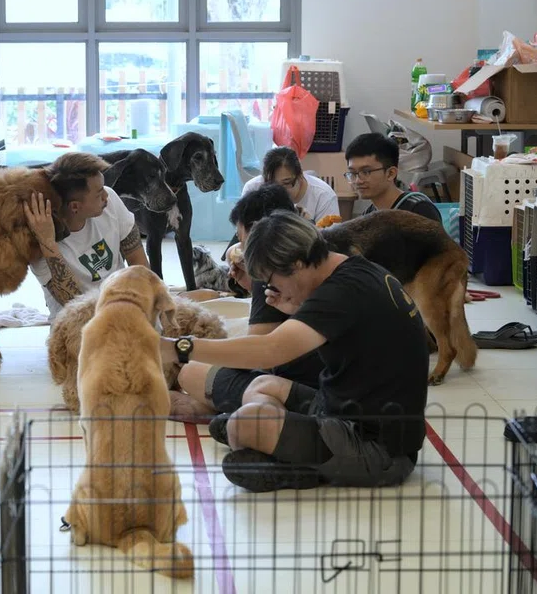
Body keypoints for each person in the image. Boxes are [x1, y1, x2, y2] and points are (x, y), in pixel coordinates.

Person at [161, 210, 428, 492]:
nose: (271, 289)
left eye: (272, 281)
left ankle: (294, 462)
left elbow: (269, 350)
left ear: (297, 264)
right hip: (344, 409)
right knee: (265, 385)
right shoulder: (354, 271)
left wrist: (179, 347)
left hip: (378, 450)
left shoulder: (340, 294)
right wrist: (297, 307)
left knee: (243, 425)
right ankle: (281, 444)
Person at [169, 183, 324, 420]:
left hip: (300, 390)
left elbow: (261, 351)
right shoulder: (317, 250)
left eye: (242, 241)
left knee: (190, 372)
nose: (242, 249)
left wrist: (183, 350)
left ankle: (220, 409)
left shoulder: (270, 262)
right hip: (318, 385)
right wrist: (252, 286)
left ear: (256, 232)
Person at [26, 152, 149, 319]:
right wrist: (48, 242)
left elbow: (139, 263)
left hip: (121, 303)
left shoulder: (110, 199)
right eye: (99, 194)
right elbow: (72, 302)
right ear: (75, 207)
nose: (106, 196)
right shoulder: (39, 239)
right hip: (75, 319)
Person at [345, 132, 442, 223]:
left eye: (366, 172)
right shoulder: (369, 215)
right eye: (353, 173)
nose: (358, 181)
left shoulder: (419, 210)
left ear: (391, 173)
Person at [241, 146, 339, 222]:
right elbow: (243, 232)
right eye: (272, 185)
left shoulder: (323, 196)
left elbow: (329, 242)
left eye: (286, 183)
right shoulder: (253, 188)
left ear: (300, 176)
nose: (279, 191)